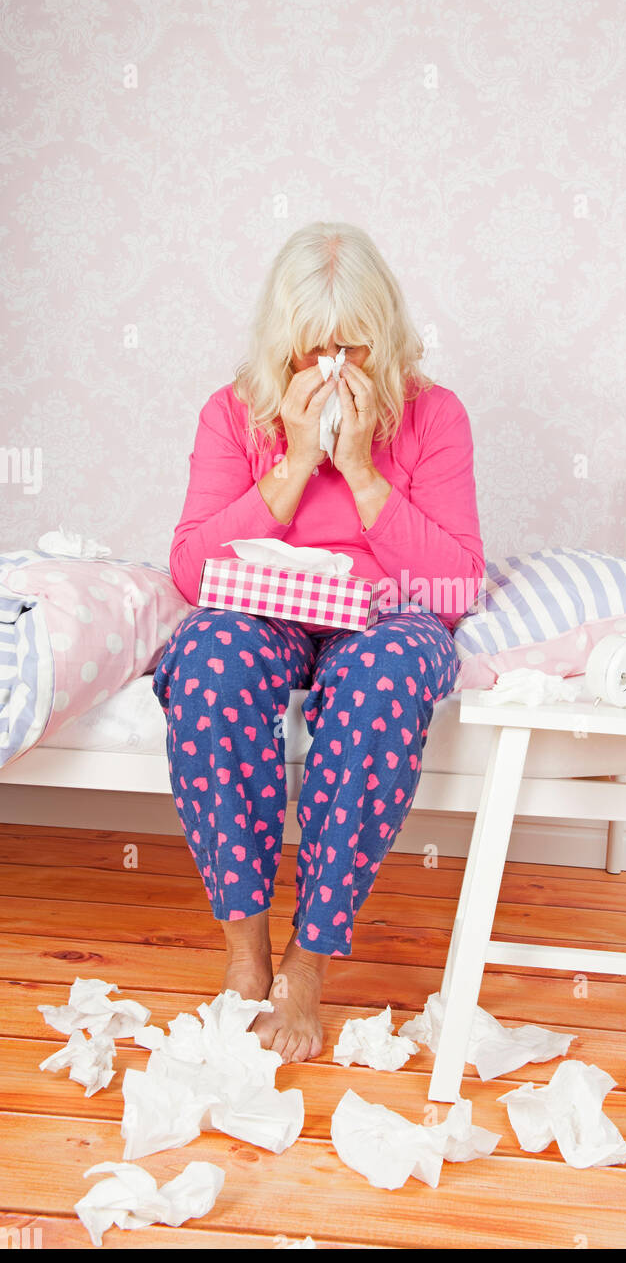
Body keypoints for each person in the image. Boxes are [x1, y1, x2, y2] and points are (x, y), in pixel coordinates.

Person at [153, 220, 484, 1063]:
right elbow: (193, 569)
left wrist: (366, 470)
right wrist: (296, 463)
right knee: (205, 661)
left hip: (384, 613)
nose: (333, 371)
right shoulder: (233, 414)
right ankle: (245, 952)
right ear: (280, 348)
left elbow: (455, 583)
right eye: (311, 353)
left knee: (384, 678)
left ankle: (308, 964)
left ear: (389, 341)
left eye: (355, 351)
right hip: (266, 605)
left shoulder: (434, 415)